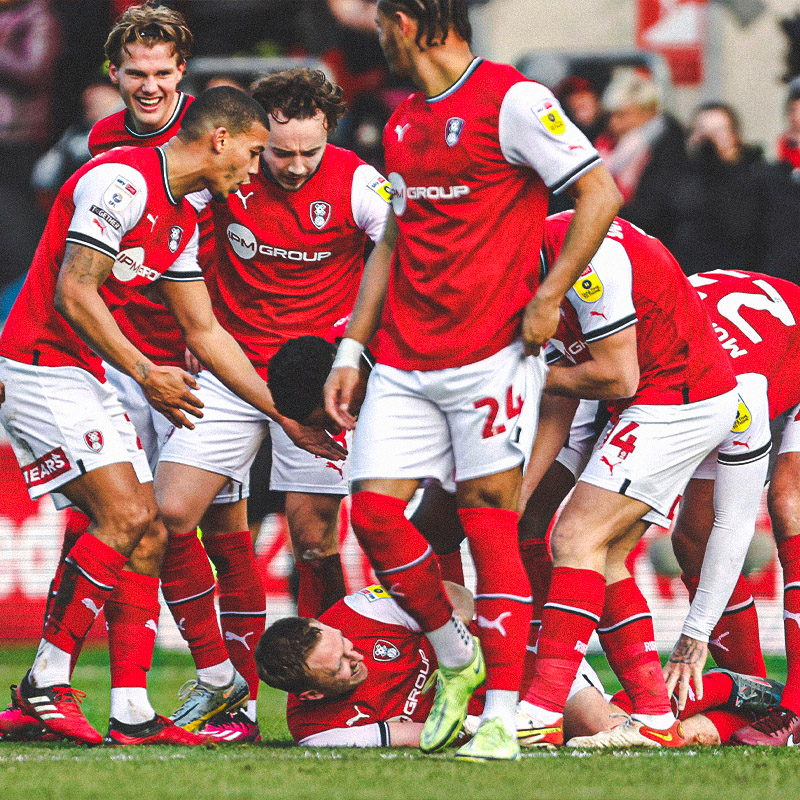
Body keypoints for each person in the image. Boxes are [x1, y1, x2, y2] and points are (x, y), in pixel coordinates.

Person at [323, 0, 621, 762]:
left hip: (491, 353)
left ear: (409, 18)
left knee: (490, 523)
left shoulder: (514, 100)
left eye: (377, 20)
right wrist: (352, 349)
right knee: (373, 514)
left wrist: (550, 295)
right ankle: (459, 658)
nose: (372, 35)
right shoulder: (402, 122)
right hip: (404, 357)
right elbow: (392, 237)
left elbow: (600, 194)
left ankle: (501, 714)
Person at [0, 85, 309, 747]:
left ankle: (132, 710)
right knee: (129, 517)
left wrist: (284, 417)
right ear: (220, 140)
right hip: (38, 364)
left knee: (146, 534)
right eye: (254, 153)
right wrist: (146, 372)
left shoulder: (179, 218)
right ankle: (46, 685)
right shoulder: (121, 183)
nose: (256, 171)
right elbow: (74, 292)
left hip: (81, 373)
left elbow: (207, 333)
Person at [153, 67, 390, 735]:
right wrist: (190, 331)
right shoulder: (233, 170)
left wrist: (358, 352)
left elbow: (401, 254)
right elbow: (173, 236)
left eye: (308, 152)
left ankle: (329, 695)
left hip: (317, 386)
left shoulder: (359, 183)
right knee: (169, 516)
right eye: (280, 151)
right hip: (233, 370)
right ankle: (224, 682)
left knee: (316, 540)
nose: (291, 166)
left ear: (330, 137)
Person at [515, 213, 738, 749]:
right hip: (648, 401)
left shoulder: (586, 257)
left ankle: (541, 710)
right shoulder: (529, 259)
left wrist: (519, 372)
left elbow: (619, 374)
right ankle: (657, 717)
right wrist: (517, 498)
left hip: (677, 399)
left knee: (574, 539)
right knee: (605, 556)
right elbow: (559, 397)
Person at [256, 583, 783, 749]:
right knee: (629, 735)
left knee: (611, 734)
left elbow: (454, 594)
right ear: (309, 695)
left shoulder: (354, 612)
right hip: (496, 717)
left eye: (346, 645)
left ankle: (723, 686)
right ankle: (758, 707)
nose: (356, 657)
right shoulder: (320, 734)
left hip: (520, 670)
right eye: (341, 670)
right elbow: (425, 734)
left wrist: (463, 643)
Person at [667, 271, 800, 746]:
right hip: (736, 353)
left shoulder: (738, 387)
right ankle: (755, 693)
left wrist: (694, 633)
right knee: (690, 539)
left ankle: (797, 710)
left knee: (789, 504)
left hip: (756, 364)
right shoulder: (641, 340)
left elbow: (737, 520)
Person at [594, 69, 686, 252]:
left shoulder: (668, 144)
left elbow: (658, 204)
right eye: (611, 115)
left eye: (622, 114)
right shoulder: (606, 143)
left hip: (655, 242)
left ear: (648, 112)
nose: (614, 123)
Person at [670, 104, 766, 276]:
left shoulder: (756, 177)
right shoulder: (680, 177)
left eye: (719, 131)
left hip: (738, 276)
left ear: (735, 136)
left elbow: (742, 228)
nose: (710, 139)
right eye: (702, 131)